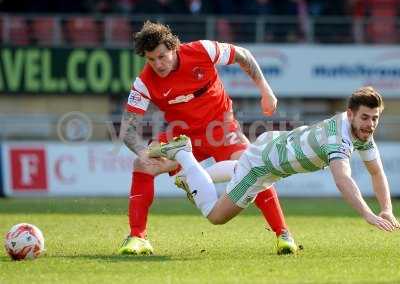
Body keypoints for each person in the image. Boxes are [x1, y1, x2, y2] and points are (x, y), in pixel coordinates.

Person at [118, 21, 298, 255]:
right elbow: (127, 130)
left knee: (254, 165)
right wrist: (145, 153)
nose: (157, 65)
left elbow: (243, 55)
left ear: (174, 47)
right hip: (183, 136)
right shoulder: (145, 82)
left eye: (162, 56)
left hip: (222, 129)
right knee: (142, 164)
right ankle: (137, 237)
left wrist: (265, 90)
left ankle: (283, 234)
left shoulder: (202, 50)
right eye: (151, 59)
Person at [153, 86, 400, 232]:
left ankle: (195, 175)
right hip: (262, 165)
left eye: (375, 118)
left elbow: (376, 172)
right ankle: (185, 155)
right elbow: (343, 179)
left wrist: (387, 209)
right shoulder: (339, 138)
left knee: (239, 166)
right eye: (366, 117)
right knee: (215, 216)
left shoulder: (360, 132)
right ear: (350, 114)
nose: (370, 124)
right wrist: (369, 214)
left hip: (271, 148)